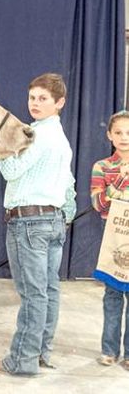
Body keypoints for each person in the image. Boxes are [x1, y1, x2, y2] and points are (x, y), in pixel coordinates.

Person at [0, 73, 76, 376]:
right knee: (48, 290)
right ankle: (41, 352)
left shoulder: (37, 134)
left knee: (33, 294)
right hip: (52, 220)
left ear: (59, 103)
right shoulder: (61, 138)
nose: (35, 104)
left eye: (43, 99)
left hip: (28, 222)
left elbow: (12, 171)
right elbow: (68, 184)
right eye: (32, 98)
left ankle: (22, 360)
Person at [90, 110, 129, 371]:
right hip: (113, 238)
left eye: (128, 132)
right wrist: (123, 178)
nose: (124, 137)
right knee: (112, 295)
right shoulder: (102, 166)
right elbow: (99, 203)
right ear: (109, 135)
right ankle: (109, 349)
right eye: (118, 132)